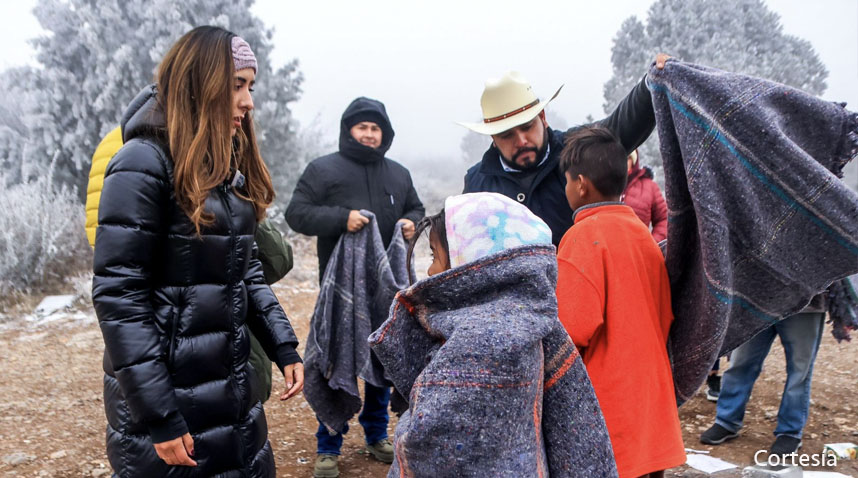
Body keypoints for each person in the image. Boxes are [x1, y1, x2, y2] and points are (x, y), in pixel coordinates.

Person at [92, 26, 304, 477]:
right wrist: (159, 414)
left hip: (229, 387)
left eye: (251, 87)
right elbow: (119, 296)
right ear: (199, 83)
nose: (248, 102)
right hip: (171, 399)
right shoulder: (141, 163)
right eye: (237, 86)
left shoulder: (222, 168)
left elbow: (246, 271)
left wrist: (283, 346)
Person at [368, 192, 617, 477]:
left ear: (471, 264)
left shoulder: (478, 345)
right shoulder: (526, 322)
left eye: (435, 255)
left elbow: (428, 444)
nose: (430, 269)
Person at [86, 126, 295, 404]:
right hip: (198, 333)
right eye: (236, 86)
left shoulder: (119, 144)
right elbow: (274, 260)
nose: (246, 102)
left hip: (164, 327)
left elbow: (113, 255)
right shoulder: (168, 149)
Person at [285, 97, 424, 477]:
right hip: (340, 290)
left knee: (381, 359)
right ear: (349, 130)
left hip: (386, 290)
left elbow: (416, 207)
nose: (368, 133)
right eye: (361, 127)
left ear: (384, 134)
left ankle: (376, 435)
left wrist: (411, 221)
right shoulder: (323, 169)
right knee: (334, 358)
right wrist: (339, 218)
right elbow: (296, 213)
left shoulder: (398, 173)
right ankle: (328, 443)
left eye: (375, 128)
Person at [554, 126, 685, 478]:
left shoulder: (582, 238)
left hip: (609, 419)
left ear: (581, 184)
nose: (565, 189)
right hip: (651, 413)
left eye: (566, 181)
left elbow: (570, 332)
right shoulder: (643, 237)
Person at [459, 54, 669, 245]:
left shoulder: (577, 149)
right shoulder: (478, 185)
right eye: (507, 135)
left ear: (543, 118)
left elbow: (620, 128)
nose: (521, 140)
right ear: (493, 138)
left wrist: (651, 85)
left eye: (527, 127)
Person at [699, 301, 826, 456]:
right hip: (757, 299)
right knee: (740, 363)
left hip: (807, 304)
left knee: (800, 371)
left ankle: (790, 432)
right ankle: (726, 421)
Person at [622, 149, 668, 242]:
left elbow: (664, 219)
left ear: (633, 161)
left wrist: (653, 244)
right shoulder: (602, 184)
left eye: (626, 158)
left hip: (639, 254)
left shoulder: (650, 187)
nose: (621, 163)